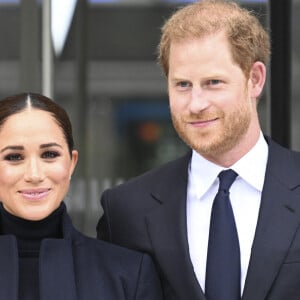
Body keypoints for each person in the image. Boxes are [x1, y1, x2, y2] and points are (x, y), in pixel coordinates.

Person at [97, 1, 300, 300]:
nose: (195, 104)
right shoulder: (127, 211)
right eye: (182, 85)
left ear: (255, 79)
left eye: (213, 82)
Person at [0, 92, 163, 300]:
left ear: (71, 163)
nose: (34, 174)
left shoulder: (128, 274)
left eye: (49, 155)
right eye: (14, 157)